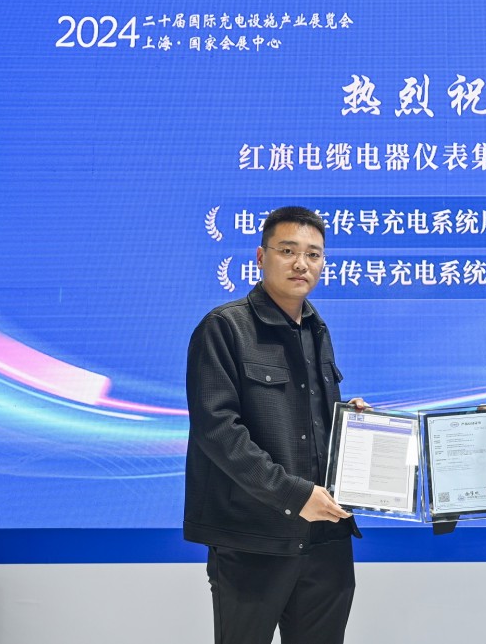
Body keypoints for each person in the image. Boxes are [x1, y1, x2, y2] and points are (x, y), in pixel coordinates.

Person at [184, 206, 366, 644]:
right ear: (261, 256)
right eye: (288, 251)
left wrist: (351, 424)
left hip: (325, 540)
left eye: (313, 254)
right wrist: (294, 495)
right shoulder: (225, 328)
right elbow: (218, 431)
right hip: (253, 541)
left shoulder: (317, 330)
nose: (302, 263)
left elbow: (305, 423)